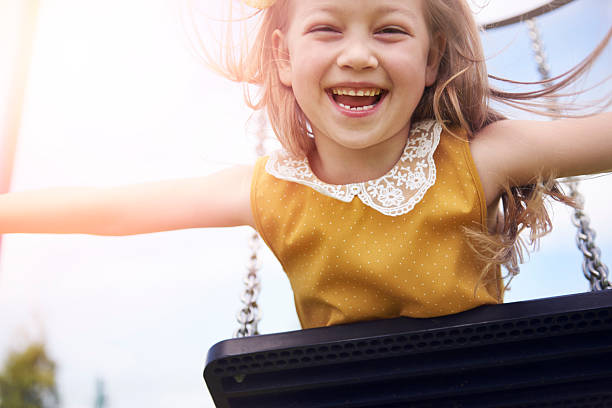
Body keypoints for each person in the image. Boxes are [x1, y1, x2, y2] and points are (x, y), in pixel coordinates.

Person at [1, 0, 611, 329]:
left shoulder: (479, 160)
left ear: (431, 62)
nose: (358, 54)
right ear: (284, 57)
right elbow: (120, 208)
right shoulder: (272, 192)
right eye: (326, 28)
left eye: (391, 30)